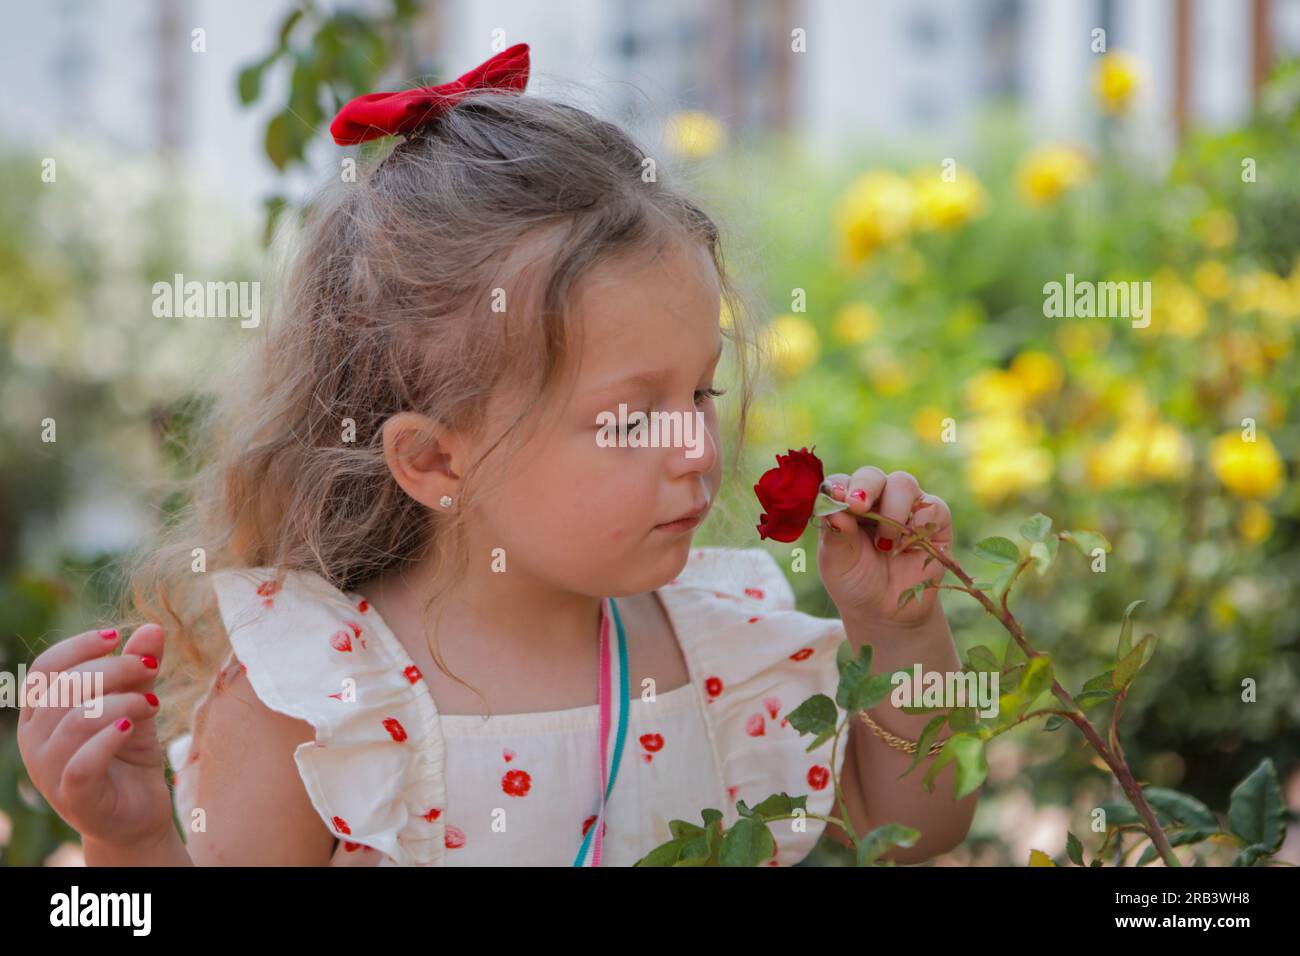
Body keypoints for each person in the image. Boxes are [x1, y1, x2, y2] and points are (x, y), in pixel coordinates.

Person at [17, 43, 976, 867]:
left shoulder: (720, 649)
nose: (694, 447)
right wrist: (133, 845)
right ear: (434, 461)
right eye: (628, 419)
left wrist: (897, 634)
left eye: (701, 392)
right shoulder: (315, 701)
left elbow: (913, 824)